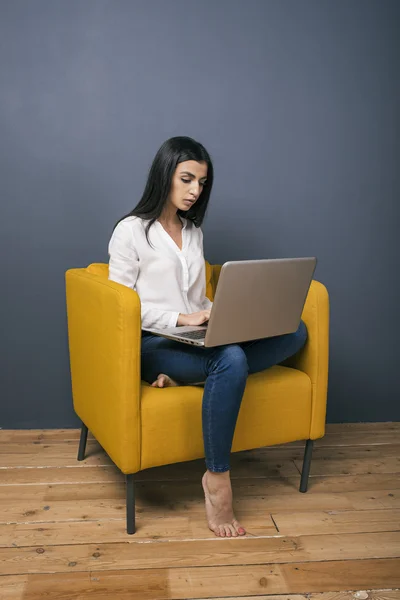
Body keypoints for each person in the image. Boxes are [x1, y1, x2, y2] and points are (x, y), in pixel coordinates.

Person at [108, 136, 307, 538]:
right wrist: (182, 317)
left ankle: (197, 375)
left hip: (196, 338)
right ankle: (216, 478)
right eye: (187, 179)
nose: (195, 190)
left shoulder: (194, 232)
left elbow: (198, 296)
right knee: (230, 358)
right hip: (153, 345)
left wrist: (216, 311)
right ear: (165, 175)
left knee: (294, 331)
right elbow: (118, 306)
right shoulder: (131, 231)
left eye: (201, 182)